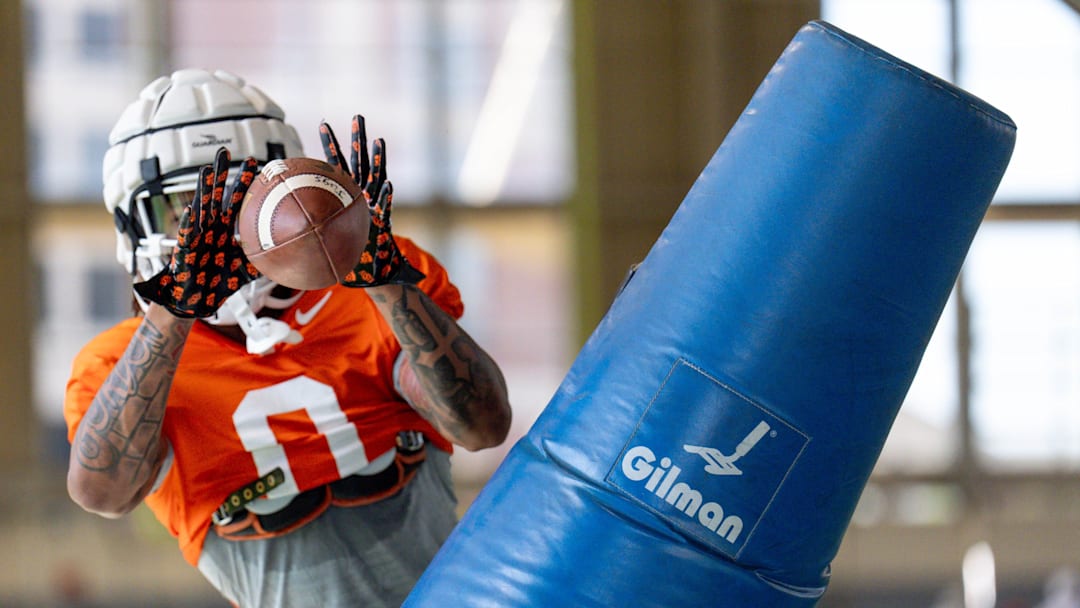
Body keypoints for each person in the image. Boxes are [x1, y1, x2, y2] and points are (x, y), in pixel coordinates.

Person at [63, 68, 512, 608]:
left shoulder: (372, 290)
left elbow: (483, 427)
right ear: (134, 226)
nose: (211, 232)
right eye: (183, 209)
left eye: (235, 202)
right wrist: (171, 313)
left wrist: (387, 285)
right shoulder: (116, 362)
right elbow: (104, 493)